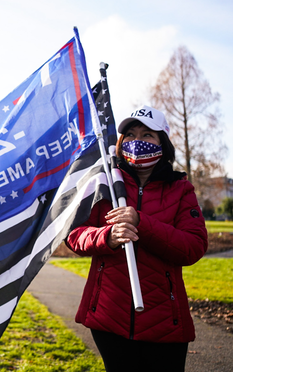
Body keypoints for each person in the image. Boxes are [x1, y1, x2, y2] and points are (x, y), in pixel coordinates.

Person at [65, 105, 208, 372]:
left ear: (163, 143)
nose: (136, 141)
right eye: (129, 135)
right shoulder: (103, 182)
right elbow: (74, 236)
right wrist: (106, 237)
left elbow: (193, 247)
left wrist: (141, 222)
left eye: (147, 135)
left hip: (165, 322)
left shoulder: (181, 189)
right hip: (109, 318)